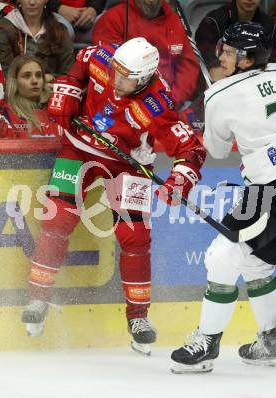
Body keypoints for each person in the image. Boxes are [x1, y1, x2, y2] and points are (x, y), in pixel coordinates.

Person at [170, 21, 276, 373]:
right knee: (255, 263)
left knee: (221, 255)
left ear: (247, 59)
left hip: (274, 183)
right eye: (224, 50)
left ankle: (207, 341)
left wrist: (218, 103)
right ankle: (274, 342)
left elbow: (216, 149)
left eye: (231, 52)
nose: (223, 56)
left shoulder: (218, 95)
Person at [20, 37, 206, 355]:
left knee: (134, 236)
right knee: (58, 218)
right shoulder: (105, 57)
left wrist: (180, 180)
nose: (117, 79)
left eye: (127, 77)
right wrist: (68, 90)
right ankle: (38, 298)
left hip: (127, 162)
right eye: (116, 71)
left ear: (145, 78)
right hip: (77, 147)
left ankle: (138, 318)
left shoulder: (158, 103)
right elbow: (80, 63)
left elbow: (190, 147)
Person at [91, 0, 200, 109]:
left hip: (171, 104)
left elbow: (188, 67)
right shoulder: (114, 18)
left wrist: (172, 100)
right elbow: (107, 67)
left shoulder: (176, 21)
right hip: (124, 103)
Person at [195, 0, 276, 82]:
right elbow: (215, 73)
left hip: (256, 84)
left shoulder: (269, 24)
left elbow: (274, 66)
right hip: (223, 87)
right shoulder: (213, 22)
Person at [0, 0, 75, 79]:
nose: (32, 2)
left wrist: (52, 79)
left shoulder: (59, 30)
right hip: (15, 91)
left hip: (52, 90)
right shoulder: (3, 30)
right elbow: (6, 75)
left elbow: (68, 74)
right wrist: (41, 80)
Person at [5, 54, 64, 138]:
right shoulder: (5, 114)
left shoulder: (57, 109)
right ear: (14, 81)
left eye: (39, 75)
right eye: (27, 76)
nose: (34, 81)